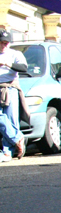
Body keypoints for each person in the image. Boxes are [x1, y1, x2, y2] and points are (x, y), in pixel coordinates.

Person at [0, 29, 27, 162]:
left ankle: (7, 152)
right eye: (2, 42)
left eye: (6, 43)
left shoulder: (15, 54)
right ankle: (18, 137)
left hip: (10, 88)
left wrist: (7, 63)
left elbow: (24, 68)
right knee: (2, 119)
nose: (4, 45)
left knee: (11, 120)